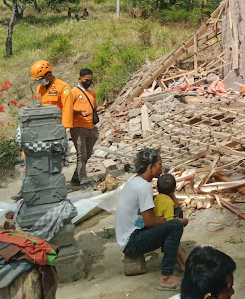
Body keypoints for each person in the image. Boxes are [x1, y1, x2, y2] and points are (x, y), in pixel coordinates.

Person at [115, 148, 185, 291]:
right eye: (159, 163)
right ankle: (166, 278)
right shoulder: (144, 186)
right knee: (176, 225)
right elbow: (149, 221)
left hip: (131, 234)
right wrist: (172, 222)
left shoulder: (134, 181)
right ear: (150, 167)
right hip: (132, 242)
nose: (162, 166)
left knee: (174, 217)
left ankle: (178, 256)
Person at [70, 68, 104, 188]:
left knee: (87, 154)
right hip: (78, 127)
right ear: (79, 79)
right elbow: (68, 109)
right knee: (82, 155)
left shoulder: (92, 92)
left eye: (90, 80)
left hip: (91, 127)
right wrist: (78, 112)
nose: (88, 82)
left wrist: (102, 107)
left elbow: (94, 107)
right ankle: (83, 181)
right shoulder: (73, 92)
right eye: (86, 80)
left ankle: (75, 177)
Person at [154, 173, 189, 272]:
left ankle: (179, 262)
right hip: (163, 230)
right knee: (178, 217)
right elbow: (170, 222)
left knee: (178, 211)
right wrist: (182, 220)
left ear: (157, 188)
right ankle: (182, 262)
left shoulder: (156, 199)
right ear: (174, 190)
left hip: (156, 227)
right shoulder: (168, 203)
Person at [30, 60, 73, 129]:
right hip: (43, 124)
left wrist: (64, 126)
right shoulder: (39, 88)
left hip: (57, 124)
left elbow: (68, 107)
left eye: (40, 79)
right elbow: (37, 105)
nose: (39, 82)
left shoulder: (63, 87)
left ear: (48, 75)